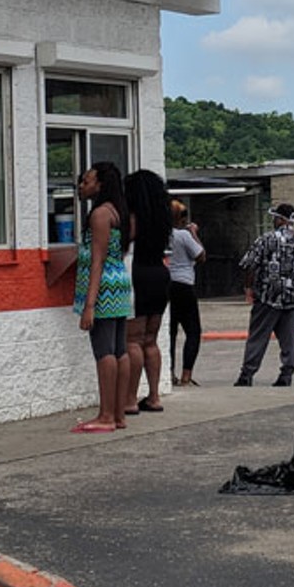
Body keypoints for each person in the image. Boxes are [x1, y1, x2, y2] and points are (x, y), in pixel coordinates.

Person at [71, 162, 132, 433]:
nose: (82, 186)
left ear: (101, 185)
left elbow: (97, 261)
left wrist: (89, 305)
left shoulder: (99, 215)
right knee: (119, 350)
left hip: (103, 288)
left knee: (104, 351)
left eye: (87, 181)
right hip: (119, 285)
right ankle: (118, 415)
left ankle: (106, 415)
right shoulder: (119, 212)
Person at [235, 202, 294, 387]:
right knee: (289, 339)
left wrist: (248, 288)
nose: (273, 220)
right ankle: (286, 374)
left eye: (275, 217)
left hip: (267, 297)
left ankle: (247, 374)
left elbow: (249, 264)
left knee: (258, 337)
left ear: (280, 219)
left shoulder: (265, 240)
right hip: (292, 299)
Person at [123, 169, 173, 415]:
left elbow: (124, 243)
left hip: (138, 275)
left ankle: (130, 399)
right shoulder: (163, 217)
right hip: (159, 274)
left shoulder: (133, 218)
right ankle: (154, 396)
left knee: (133, 340)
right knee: (151, 340)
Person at [167, 200, 205, 387]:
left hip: (167, 285)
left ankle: (169, 373)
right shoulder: (183, 235)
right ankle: (186, 375)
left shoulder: (162, 235)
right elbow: (201, 255)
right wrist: (194, 234)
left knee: (170, 332)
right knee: (193, 331)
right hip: (184, 284)